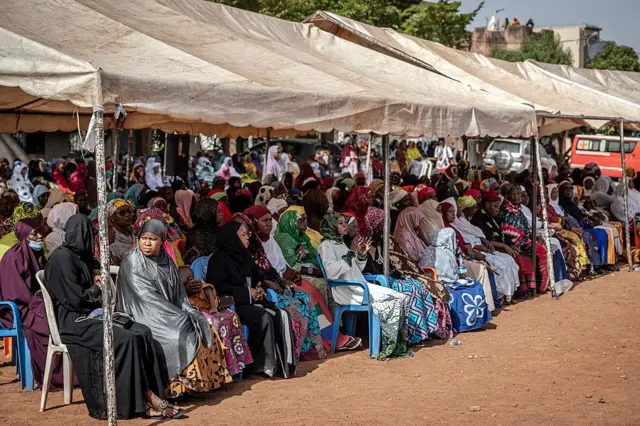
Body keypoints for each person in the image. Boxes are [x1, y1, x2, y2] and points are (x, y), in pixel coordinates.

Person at [45, 214, 179, 419]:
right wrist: (97, 288)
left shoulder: (80, 254)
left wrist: (96, 271)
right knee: (126, 339)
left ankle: (151, 394)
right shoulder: (61, 259)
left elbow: (93, 263)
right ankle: (135, 403)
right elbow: (76, 300)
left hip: (92, 314)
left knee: (142, 331)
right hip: (74, 321)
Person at [117, 217, 230, 398]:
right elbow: (147, 299)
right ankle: (175, 387)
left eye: (153, 239)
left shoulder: (167, 261)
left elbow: (178, 294)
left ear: (162, 241)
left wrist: (190, 310)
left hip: (167, 312)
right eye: (144, 238)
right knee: (178, 333)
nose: (147, 243)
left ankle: (196, 384)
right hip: (142, 315)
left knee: (203, 323)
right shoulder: (132, 261)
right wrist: (178, 316)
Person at [207, 221, 297, 378]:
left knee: (282, 314)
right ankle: (260, 366)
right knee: (263, 317)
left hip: (252, 302)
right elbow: (220, 290)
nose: (248, 238)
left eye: (247, 234)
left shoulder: (244, 256)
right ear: (233, 239)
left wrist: (259, 287)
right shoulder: (218, 260)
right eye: (243, 235)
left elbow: (258, 276)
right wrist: (249, 293)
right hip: (233, 305)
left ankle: (283, 364)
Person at [319, 213, 412, 359]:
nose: (345, 226)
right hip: (347, 290)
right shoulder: (326, 246)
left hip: (359, 285)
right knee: (391, 299)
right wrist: (352, 251)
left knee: (399, 298)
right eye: (340, 223)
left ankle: (393, 344)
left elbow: (355, 268)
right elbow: (332, 272)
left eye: (345, 222)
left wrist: (361, 254)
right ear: (331, 226)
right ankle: (382, 347)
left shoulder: (340, 242)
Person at [234, 212, 326, 360]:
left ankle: (308, 346)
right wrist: (270, 284)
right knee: (294, 306)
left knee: (305, 298)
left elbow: (273, 268)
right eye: (265, 220)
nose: (247, 234)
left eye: (247, 230)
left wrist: (282, 280)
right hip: (263, 293)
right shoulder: (245, 253)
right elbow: (255, 277)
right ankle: (294, 351)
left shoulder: (259, 246)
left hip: (276, 285)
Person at [0, 219, 63, 388]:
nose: (39, 237)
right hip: (17, 309)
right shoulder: (13, 257)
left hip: (34, 302)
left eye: (40, 233)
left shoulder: (37, 254)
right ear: (23, 236)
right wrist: (39, 302)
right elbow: (14, 293)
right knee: (49, 323)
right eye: (34, 234)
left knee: (63, 313)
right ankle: (54, 374)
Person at [179, 266, 253, 376]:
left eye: (183, 279)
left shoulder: (199, 285)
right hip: (197, 313)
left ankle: (235, 364)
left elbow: (208, 291)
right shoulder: (181, 290)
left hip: (210, 309)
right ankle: (220, 367)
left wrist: (214, 307)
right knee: (215, 323)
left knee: (232, 316)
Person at [419, 228, 493, 333]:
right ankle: (469, 322)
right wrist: (461, 279)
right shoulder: (444, 253)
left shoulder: (430, 249)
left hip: (432, 282)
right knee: (475, 286)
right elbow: (449, 277)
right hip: (444, 283)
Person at [451, 196, 520, 303]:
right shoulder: (454, 225)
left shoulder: (463, 222)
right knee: (499, 265)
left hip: (484, 248)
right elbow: (467, 243)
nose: (475, 210)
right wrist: (482, 246)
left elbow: (477, 235)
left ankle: (509, 294)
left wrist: (484, 241)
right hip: (475, 251)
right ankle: (500, 296)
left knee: (508, 260)